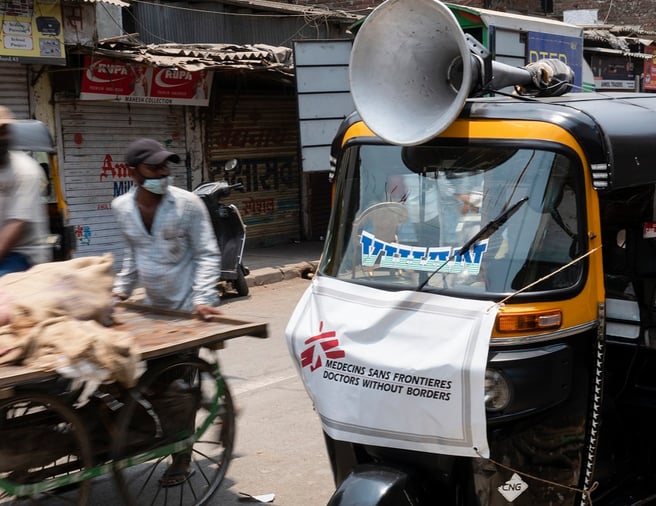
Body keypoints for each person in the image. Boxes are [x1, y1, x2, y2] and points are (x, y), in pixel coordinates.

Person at [112, 137, 223, 486]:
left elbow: (207, 253)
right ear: (133, 172)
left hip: (188, 309)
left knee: (175, 386)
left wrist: (204, 298)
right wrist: (119, 293)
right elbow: (133, 254)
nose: (163, 173)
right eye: (154, 167)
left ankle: (181, 458)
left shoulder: (188, 204)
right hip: (153, 311)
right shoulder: (121, 207)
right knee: (136, 380)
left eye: (165, 166)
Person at [0, 105, 50, 275]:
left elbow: (15, 225)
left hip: (21, 254)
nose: (2, 136)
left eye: (4, 131)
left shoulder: (25, 170)